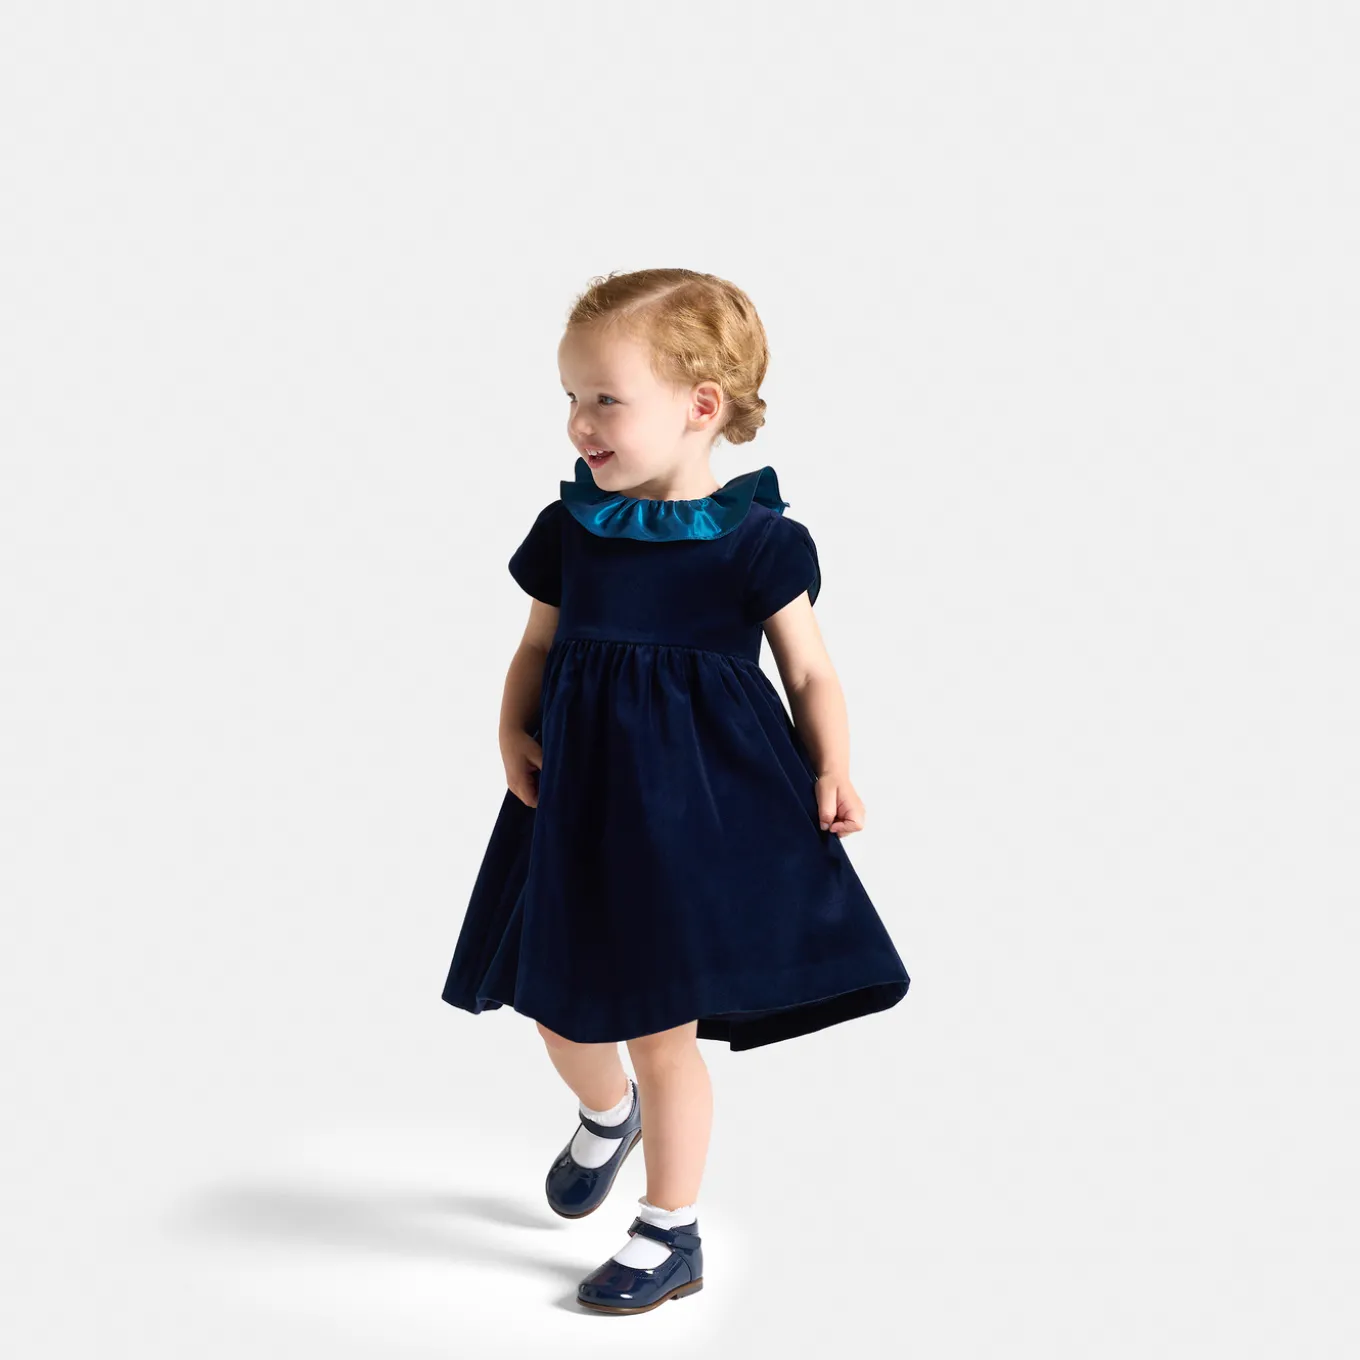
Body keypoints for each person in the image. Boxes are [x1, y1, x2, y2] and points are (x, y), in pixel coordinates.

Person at [441, 267, 911, 1314]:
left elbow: (809, 672)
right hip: (574, 806)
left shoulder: (759, 541)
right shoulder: (571, 529)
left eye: (605, 399)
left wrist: (833, 764)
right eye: (570, 397)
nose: (579, 422)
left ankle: (669, 1230)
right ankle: (609, 1114)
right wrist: (510, 728)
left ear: (701, 405)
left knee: (663, 1029)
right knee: (555, 1009)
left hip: (693, 820)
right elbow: (536, 648)